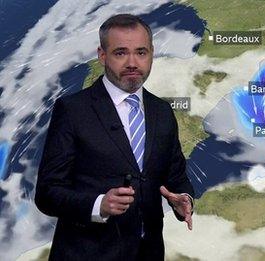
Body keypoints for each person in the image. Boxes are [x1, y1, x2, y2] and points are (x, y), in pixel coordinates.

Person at [35, 14, 194, 260]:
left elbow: (176, 178)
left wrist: (183, 199)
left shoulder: (162, 112)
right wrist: (99, 205)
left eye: (141, 52)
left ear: (151, 53)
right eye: (121, 53)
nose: (133, 62)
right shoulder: (72, 110)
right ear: (102, 55)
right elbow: (47, 194)